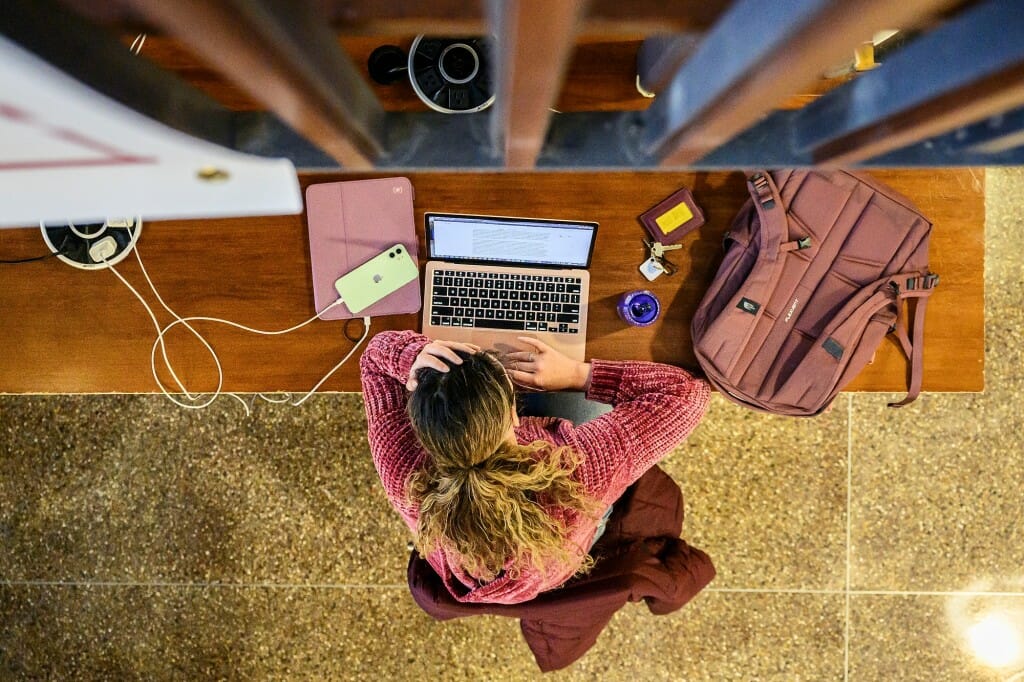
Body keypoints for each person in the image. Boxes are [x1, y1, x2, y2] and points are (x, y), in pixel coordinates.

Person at [359, 330, 710, 605]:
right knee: (592, 406)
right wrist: (579, 374)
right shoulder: (578, 471)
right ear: (515, 413)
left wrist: (410, 357)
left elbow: (374, 358)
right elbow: (690, 393)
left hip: (476, 568)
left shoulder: (403, 471)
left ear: (419, 431)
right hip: (553, 557)